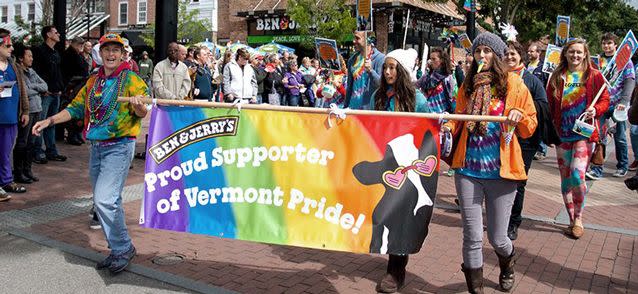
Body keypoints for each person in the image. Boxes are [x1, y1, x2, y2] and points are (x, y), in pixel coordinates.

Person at [32, 32, 149, 274]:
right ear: (100, 53)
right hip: (96, 148)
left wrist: (139, 106)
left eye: (116, 50)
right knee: (105, 201)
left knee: (105, 200)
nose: (111, 54)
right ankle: (118, 248)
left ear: (123, 54)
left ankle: (123, 247)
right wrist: (50, 120)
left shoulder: (132, 80)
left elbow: (142, 112)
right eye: (107, 49)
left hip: (118, 146)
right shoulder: (93, 81)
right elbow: (75, 108)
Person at [441, 32, 537, 293]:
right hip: (468, 171)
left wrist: (519, 116)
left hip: (502, 174)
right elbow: (459, 115)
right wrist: (448, 126)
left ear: (497, 55)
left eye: (486, 51)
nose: (481, 56)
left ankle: (507, 262)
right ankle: (476, 288)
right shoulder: (469, 84)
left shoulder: (515, 85)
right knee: (472, 237)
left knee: (497, 238)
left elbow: (530, 126)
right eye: (477, 51)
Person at [366, 48, 428, 293]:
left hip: (407, 167)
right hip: (384, 164)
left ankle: (396, 269)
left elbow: (427, 130)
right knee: (382, 212)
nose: (388, 72)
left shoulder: (417, 99)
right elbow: (365, 122)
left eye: (392, 67)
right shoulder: (377, 96)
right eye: (385, 67)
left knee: (401, 216)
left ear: (402, 71)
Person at [547, 38, 610, 239]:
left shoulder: (594, 76)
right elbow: (549, 104)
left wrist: (596, 109)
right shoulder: (557, 77)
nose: (575, 55)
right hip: (562, 133)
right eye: (571, 51)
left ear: (585, 54)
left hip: (584, 133)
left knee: (577, 175)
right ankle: (572, 218)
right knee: (566, 179)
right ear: (565, 53)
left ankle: (580, 217)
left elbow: (605, 99)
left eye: (579, 52)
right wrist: (548, 131)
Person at [503, 40, 556, 241]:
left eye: (513, 54)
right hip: (500, 137)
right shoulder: (497, 78)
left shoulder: (531, 80)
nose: (509, 57)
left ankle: (513, 221)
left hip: (525, 138)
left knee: (518, 180)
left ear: (521, 57)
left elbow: (542, 106)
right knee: (499, 179)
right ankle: (500, 216)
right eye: (506, 54)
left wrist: (521, 106)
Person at [587, 33, 636, 180]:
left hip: (617, 106)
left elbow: (630, 81)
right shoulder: (597, 61)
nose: (606, 46)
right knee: (599, 136)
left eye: (609, 43)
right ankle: (597, 168)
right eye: (604, 43)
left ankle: (622, 166)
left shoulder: (625, 61)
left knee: (619, 137)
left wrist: (624, 101)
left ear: (616, 45)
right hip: (601, 104)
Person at [0, 29, 29, 200]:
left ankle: (6, 180)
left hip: (10, 116)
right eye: (7, 45)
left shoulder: (14, 66)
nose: (11, 49)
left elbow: (22, 89)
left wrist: (25, 110)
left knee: (5, 151)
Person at [31, 25, 67, 164]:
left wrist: (60, 88)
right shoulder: (39, 51)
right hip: (45, 93)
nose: (58, 34)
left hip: (56, 92)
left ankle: (51, 150)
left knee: (51, 123)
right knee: (41, 123)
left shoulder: (56, 53)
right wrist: (42, 89)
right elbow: (36, 72)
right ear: (48, 34)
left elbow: (58, 73)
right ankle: (37, 151)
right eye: (55, 32)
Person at [13, 44, 47, 184]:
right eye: (29, 56)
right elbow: (23, 91)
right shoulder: (18, 72)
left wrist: (33, 88)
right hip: (27, 111)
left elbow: (45, 85)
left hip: (37, 109)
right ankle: (18, 172)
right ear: (21, 58)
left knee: (32, 142)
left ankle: (28, 170)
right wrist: (37, 90)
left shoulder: (32, 71)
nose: (31, 59)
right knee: (22, 142)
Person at [61, 36, 90, 146]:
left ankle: (77, 133)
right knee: (74, 110)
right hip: (73, 86)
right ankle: (72, 134)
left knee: (80, 111)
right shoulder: (69, 55)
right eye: (81, 45)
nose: (81, 48)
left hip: (80, 85)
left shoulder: (78, 55)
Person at [345, 31, 384, 109]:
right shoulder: (352, 60)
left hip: (369, 111)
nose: (354, 41)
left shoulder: (380, 59)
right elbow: (349, 86)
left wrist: (371, 71)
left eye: (357, 38)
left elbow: (382, 85)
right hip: (352, 109)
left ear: (368, 40)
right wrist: (345, 106)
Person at [416, 47, 455, 114]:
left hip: (443, 117)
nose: (431, 61)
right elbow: (414, 86)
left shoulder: (448, 78)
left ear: (441, 60)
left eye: (434, 59)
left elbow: (452, 99)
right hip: (427, 115)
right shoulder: (427, 76)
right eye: (430, 59)